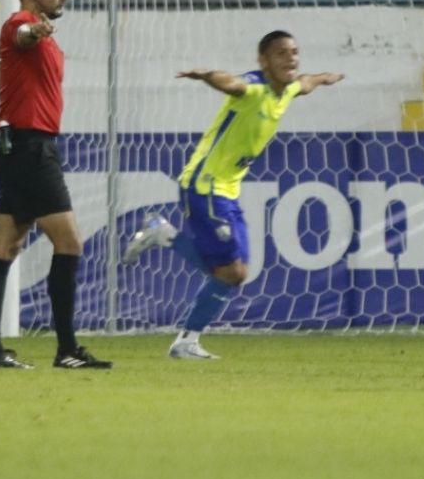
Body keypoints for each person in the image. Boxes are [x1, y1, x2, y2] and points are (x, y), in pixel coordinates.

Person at [124, 30, 344, 359]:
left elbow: (307, 82)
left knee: (235, 273)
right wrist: (206, 76)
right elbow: (230, 83)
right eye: (281, 53)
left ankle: (186, 341)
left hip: (227, 190)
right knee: (232, 272)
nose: (291, 58)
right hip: (205, 186)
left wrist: (327, 77)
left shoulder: (289, 89)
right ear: (263, 61)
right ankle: (164, 237)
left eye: (295, 52)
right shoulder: (254, 88)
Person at [0, 0, 111, 370]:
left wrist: (39, 33)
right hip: (30, 148)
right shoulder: (20, 22)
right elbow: (20, 35)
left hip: (16, 146)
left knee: (7, 245)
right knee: (69, 242)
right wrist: (34, 30)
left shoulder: (47, 37)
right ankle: (67, 350)